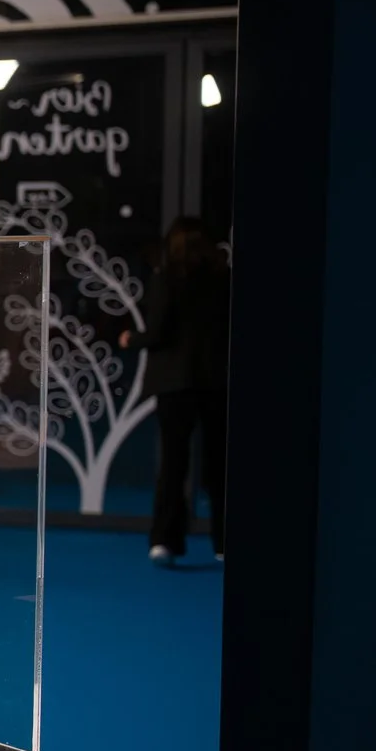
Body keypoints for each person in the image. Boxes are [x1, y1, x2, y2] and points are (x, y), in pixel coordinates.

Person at [135, 217, 231, 565]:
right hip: (216, 383)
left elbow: (158, 332)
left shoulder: (167, 280)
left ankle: (165, 540)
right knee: (220, 466)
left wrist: (131, 338)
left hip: (175, 384)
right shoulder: (224, 280)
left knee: (173, 465)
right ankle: (224, 541)